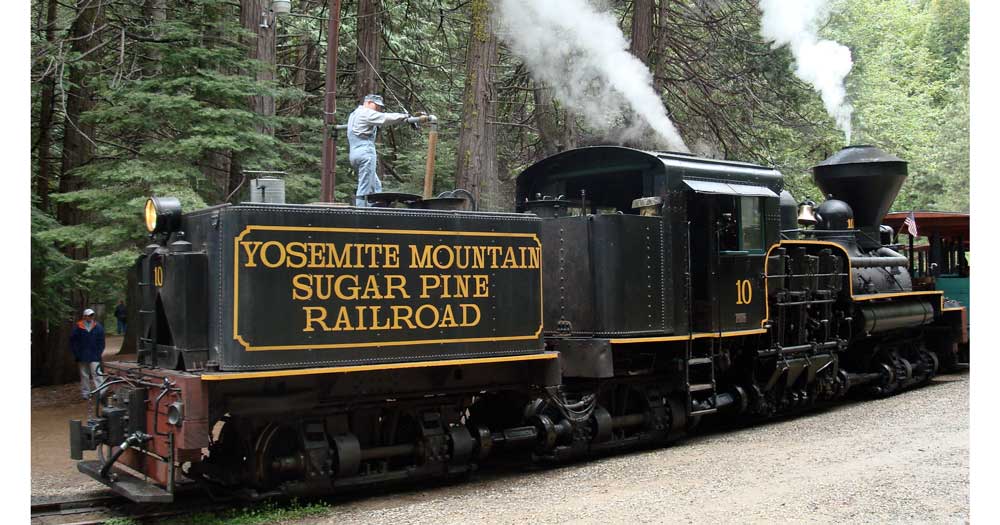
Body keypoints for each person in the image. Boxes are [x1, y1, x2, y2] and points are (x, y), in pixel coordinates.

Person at [347, 94, 410, 207]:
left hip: (354, 154)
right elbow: (384, 118)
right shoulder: (365, 113)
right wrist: (404, 116)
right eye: (376, 106)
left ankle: (378, 208)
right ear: (369, 102)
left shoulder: (354, 114)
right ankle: (361, 213)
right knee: (365, 187)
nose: (377, 109)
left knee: (375, 185)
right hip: (365, 153)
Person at [70, 308, 105, 400]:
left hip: (94, 355)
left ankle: (102, 392)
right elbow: (73, 342)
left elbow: (101, 342)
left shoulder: (98, 327)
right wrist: (76, 353)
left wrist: (99, 353)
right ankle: (86, 393)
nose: (89, 317)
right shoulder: (78, 327)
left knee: (96, 373)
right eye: (87, 316)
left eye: (91, 315)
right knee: (84, 375)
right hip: (82, 355)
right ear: (84, 316)